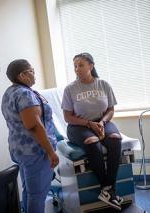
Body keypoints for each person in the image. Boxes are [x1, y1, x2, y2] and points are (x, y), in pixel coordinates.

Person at [61, 52, 123, 210]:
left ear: (91, 66)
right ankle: (108, 189)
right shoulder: (70, 89)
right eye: (75, 66)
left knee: (115, 138)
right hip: (78, 126)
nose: (77, 69)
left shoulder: (103, 84)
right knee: (92, 141)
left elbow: (110, 109)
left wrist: (102, 122)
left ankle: (108, 189)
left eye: (80, 65)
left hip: (102, 121)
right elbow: (68, 117)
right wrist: (89, 124)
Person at [1, 59, 59, 213]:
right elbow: (34, 126)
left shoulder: (9, 92)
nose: (34, 74)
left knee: (30, 191)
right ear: (22, 75)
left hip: (20, 151)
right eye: (32, 70)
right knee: (38, 195)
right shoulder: (25, 94)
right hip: (36, 152)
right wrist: (50, 152)